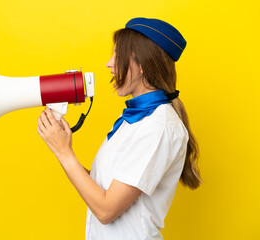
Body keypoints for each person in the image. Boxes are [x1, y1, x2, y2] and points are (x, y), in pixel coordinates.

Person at [37, 17, 202, 240]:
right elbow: (103, 189)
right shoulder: (135, 119)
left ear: (142, 65)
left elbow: (106, 210)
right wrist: (61, 147)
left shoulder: (158, 127)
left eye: (117, 55)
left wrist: (64, 153)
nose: (109, 63)